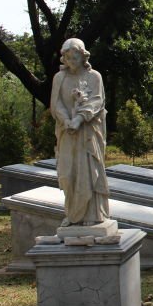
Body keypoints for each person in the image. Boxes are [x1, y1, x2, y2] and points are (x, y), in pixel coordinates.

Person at [50, 38, 109, 226]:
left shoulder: (94, 77)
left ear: (83, 56)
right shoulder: (59, 78)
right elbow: (56, 103)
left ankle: (91, 216)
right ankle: (73, 214)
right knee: (67, 175)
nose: (71, 62)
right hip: (67, 132)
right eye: (67, 58)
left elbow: (97, 101)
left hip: (88, 133)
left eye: (74, 57)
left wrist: (79, 119)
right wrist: (67, 120)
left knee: (88, 172)